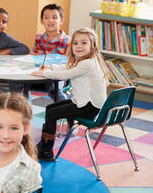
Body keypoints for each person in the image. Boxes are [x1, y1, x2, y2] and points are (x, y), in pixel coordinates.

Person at [31, 27, 109, 161]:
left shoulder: (88, 64)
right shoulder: (85, 60)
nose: (79, 46)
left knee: (51, 113)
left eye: (84, 43)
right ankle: (44, 145)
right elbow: (68, 67)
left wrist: (43, 73)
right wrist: (51, 67)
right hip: (86, 102)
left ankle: (46, 151)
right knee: (50, 109)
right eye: (75, 43)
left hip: (90, 107)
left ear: (93, 46)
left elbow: (66, 74)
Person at [31, 4, 72, 102]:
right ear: (42, 21)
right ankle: (22, 111)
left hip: (57, 77)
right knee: (17, 83)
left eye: (54, 17)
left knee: (51, 86)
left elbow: (69, 64)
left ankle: (66, 106)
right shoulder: (39, 38)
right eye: (46, 17)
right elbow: (34, 55)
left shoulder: (68, 40)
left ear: (61, 20)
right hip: (38, 73)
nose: (50, 21)